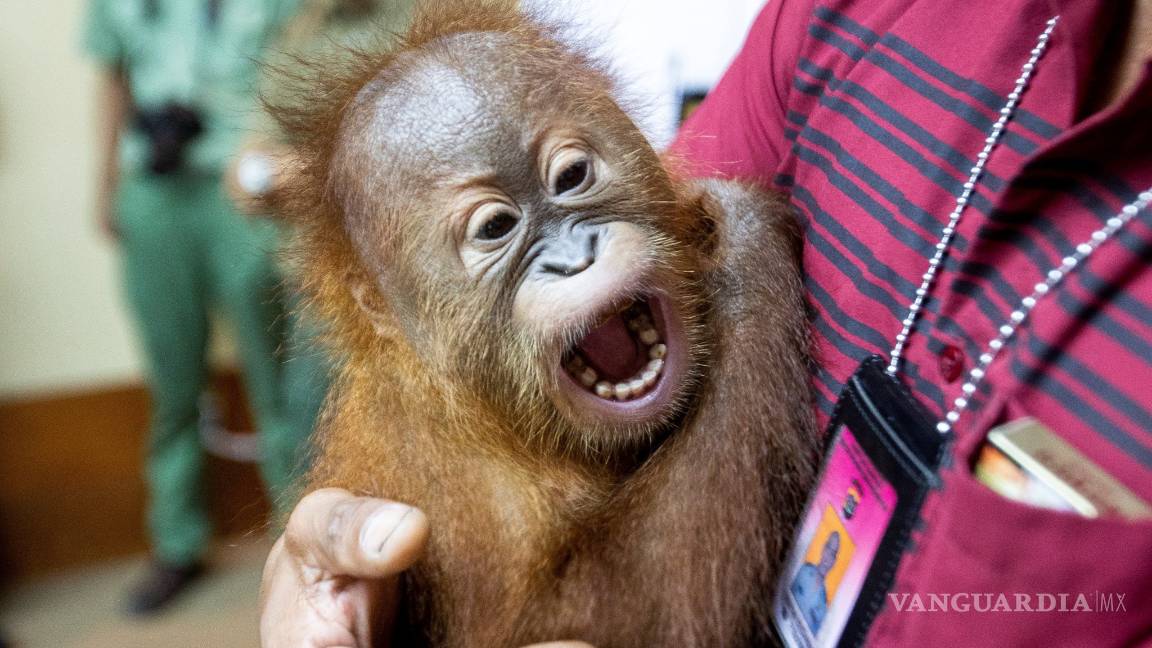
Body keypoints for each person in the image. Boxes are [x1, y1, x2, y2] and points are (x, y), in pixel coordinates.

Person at [259, 0, 1152, 645]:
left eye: (573, 176)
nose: (573, 251)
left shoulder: (713, 229)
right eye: (495, 229)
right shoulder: (849, 21)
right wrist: (319, 578)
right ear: (387, 314)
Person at [83, 0, 306, 614]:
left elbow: (294, 62)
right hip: (153, 190)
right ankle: (176, 543)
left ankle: (303, 540)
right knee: (172, 385)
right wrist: (105, 186)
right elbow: (112, 79)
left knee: (278, 383)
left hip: (243, 188)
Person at [224, 0, 420, 512]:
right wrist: (254, 172)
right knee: (307, 424)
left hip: (410, 271)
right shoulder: (301, 28)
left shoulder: (436, 13)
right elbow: (255, 149)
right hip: (321, 274)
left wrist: (317, 171)